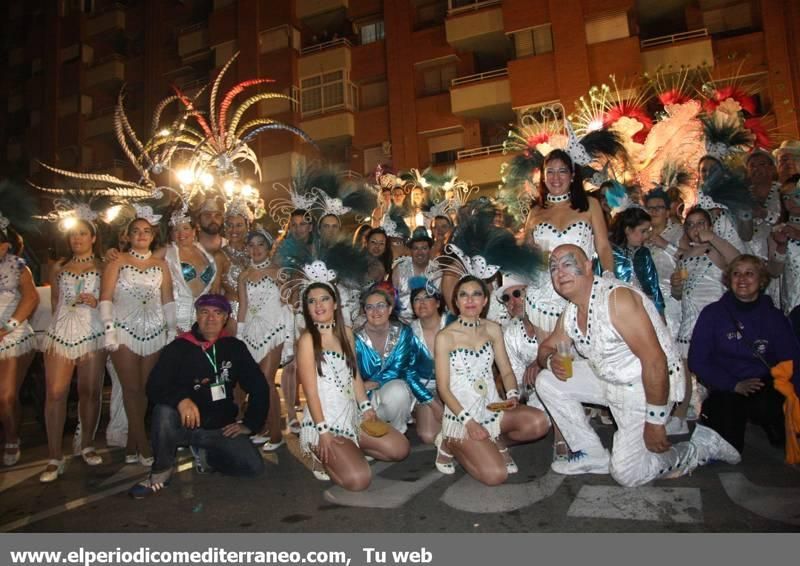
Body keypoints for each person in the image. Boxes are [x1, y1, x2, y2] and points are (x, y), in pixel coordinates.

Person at [535, 244, 740, 487]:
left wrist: (655, 421)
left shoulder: (617, 299)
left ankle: (700, 448)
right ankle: (591, 453)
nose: (560, 272)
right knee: (546, 381)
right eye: (554, 267)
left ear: (589, 266)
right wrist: (550, 360)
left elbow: (655, 362)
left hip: (643, 387)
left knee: (628, 474)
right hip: (608, 378)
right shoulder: (571, 312)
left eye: (569, 263)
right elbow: (546, 348)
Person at [129, 294, 267, 498]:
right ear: (197, 315)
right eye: (205, 312)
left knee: (252, 467)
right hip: (184, 424)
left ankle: (207, 457)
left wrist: (250, 424)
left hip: (219, 427)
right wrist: (180, 400)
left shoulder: (234, 347)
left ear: (226, 318)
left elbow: (259, 387)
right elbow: (154, 386)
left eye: (217, 313)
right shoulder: (177, 348)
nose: (210, 318)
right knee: (164, 411)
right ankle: (161, 472)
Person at [434, 276, 549, 485]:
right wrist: (468, 423)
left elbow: (505, 370)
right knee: (495, 475)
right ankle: (449, 442)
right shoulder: (445, 337)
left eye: (476, 294)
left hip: (492, 408)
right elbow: (443, 388)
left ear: (485, 301)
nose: (470, 300)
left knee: (538, 423)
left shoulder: (492, 328)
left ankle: (495, 440)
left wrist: (513, 395)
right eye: (463, 295)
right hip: (461, 416)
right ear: (456, 301)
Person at [298, 282, 409, 490]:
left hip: (351, 416)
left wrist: (366, 408)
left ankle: (350, 450)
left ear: (336, 304)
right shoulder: (307, 340)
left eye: (324, 299)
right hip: (325, 421)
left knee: (400, 448)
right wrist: (323, 433)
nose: (318, 305)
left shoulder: (347, 333)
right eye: (311, 301)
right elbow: (310, 392)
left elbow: (354, 375)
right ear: (307, 308)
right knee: (359, 481)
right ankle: (322, 455)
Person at [689, 255, 800, 453]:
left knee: (774, 418)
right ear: (728, 279)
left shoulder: (774, 317)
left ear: (761, 280)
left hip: (763, 385)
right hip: (727, 384)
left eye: (749, 274)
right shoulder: (712, 314)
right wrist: (733, 384)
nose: (742, 279)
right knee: (730, 447)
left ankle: (771, 422)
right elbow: (698, 360)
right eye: (736, 274)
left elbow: (792, 360)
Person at [100, 216, 176, 466]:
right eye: (136, 231)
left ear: (153, 236)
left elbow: (167, 299)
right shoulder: (117, 261)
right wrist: (110, 329)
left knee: (144, 390)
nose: (141, 235)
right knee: (131, 389)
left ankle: (132, 445)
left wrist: (172, 330)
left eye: (146, 231)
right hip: (123, 330)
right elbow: (106, 297)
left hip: (154, 331)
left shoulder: (161, 264)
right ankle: (144, 446)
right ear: (127, 236)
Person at [40, 219, 107, 481]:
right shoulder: (58, 267)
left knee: (89, 391)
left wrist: (97, 301)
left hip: (93, 331)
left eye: (83, 234)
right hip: (61, 331)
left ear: (93, 238)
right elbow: (56, 302)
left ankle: (87, 444)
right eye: (73, 235)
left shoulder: (104, 266)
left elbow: (113, 298)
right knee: (55, 393)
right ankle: (54, 456)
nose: (77, 239)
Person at [523, 149, 614, 338]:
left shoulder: (590, 205)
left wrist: (609, 277)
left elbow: (603, 246)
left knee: (588, 359)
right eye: (550, 171)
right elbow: (527, 256)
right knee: (554, 360)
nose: (556, 177)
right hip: (543, 298)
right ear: (543, 176)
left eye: (562, 171)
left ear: (572, 176)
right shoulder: (535, 211)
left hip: (582, 292)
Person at [670, 207, 740, 432]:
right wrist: (676, 288)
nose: (695, 228)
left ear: (709, 226)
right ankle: (680, 414)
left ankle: (717, 413)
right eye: (690, 224)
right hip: (689, 316)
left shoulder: (714, 250)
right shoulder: (683, 256)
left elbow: (739, 262)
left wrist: (715, 239)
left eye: (700, 223)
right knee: (684, 367)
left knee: (711, 369)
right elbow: (680, 294)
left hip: (712, 316)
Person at [237, 230, 289, 451]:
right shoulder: (244, 275)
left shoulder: (278, 272)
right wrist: (239, 336)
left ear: (268, 248)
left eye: (260, 245)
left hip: (274, 330)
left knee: (266, 382)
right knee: (257, 384)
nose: (256, 249)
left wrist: (289, 334)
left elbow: (287, 303)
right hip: (251, 332)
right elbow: (243, 307)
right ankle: (265, 427)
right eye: (251, 245)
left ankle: (277, 435)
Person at [355, 287, 433, 434]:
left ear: (390, 309)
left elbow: (399, 369)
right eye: (370, 307)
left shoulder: (403, 332)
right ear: (364, 311)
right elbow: (353, 372)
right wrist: (361, 387)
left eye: (381, 306)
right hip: (364, 396)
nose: (375, 311)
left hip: (389, 389)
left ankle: (398, 432)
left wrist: (375, 382)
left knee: (398, 391)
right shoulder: (355, 338)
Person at [0, 224, 38, 467]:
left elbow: (31, 297)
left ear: (4, 246)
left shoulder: (18, 267)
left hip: (13, 333)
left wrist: (8, 327)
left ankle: (12, 438)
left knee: (6, 395)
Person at [164, 211, 218, 333]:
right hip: (175, 321)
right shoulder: (167, 252)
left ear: (194, 231)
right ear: (171, 234)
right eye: (176, 230)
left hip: (202, 322)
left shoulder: (204, 252)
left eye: (185, 228)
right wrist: (114, 254)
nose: (181, 233)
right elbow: (142, 259)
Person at [408, 279, 446, 445]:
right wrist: (432, 403)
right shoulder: (408, 331)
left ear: (437, 302)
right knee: (428, 436)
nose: (421, 303)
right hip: (424, 390)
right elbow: (407, 373)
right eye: (416, 299)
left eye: (427, 298)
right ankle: (418, 411)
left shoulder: (452, 323)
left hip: (455, 386)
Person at [609, 207, 665, 315]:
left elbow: (654, 287)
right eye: (643, 231)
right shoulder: (609, 253)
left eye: (648, 231)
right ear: (628, 230)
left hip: (645, 310)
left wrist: (661, 317)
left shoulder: (644, 253)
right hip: (617, 312)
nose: (647, 235)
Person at [645, 189, 683, 338]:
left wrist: (665, 244)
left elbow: (688, 257)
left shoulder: (679, 231)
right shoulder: (642, 234)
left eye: (658, 207)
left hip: (670, 300)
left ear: (667, 212)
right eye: (650, 208)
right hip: (646, 301)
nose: (653, 211)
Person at [217, 203, 252, 331]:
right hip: (232, 315)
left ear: (247, 226)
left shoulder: (255, 252)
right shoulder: (220, 255)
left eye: (239, 225)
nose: (234, 230)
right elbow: (214, 291)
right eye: (230, 225)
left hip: (256, 312)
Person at [392, 228, 435, 322]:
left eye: (424, 248)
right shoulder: (399, 269)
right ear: (410, 250)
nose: (420, 252)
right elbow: (391, 300)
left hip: (430, 324)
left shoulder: (437, 271)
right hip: (403, 324)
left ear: (430, 250)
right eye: (416, 248)